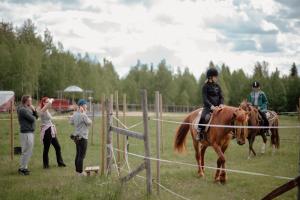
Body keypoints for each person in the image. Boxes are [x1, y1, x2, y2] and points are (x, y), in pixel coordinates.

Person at [196, 68, 224, 141]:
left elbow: (221, 97)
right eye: (215, 77)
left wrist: (221, 104)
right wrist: (211, 106)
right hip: (208, 107)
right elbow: (205, 99)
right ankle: (199, 132)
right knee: (203, 117)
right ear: (210, 77)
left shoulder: (218, 86)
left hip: (218, 107)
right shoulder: (205, 86)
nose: (216, 78)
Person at [39, 97, 66, 169]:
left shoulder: (47, 110)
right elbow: (49, 103)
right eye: (46, 102)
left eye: (48, 102)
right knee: (46, 148)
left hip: (51, 130)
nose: (49, 103)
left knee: (58, 147)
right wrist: (51, 100)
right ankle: (46, 165)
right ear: (44, 103)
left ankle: (60, 163)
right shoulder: (42, 110)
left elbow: (49, 120)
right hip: (47, 131)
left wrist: (54, 127)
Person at [69, 99, 92, 176]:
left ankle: (77, 171)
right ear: (82, 105)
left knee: (78, 154)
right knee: (81, 156)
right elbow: (89, 123)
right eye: (85, 104)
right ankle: (80, 172)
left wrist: (75, 116)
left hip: (76, 136)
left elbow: (71, 122)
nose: (86, 106)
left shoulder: (75, 114)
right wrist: (84, 113)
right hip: (83, 137)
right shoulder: (83, 114)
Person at [17, 95, 38, 175]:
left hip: (29, 132)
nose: (31, 102)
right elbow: (33, 119)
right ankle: (22, 168)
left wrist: (33, 110)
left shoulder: (26, 109)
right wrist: (33, 110)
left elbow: (36, 117)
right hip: (26, 132)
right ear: (26, 101)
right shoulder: (23, 110)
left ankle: (24, 167)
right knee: (26, 151)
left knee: (28, 151)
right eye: (30, 100)